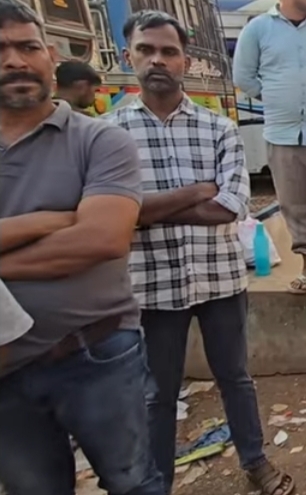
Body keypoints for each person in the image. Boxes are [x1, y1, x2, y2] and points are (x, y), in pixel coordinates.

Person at [101, 11, 293, 495]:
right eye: (146, 50)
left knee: (236, 378)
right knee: (157, 394)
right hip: (151, 286)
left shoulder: (218, 128)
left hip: (220, 280)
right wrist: (193, 192)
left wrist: (145, 210)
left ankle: (256, 464)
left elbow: (230, 207)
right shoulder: (107, 134)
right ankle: (158, 483)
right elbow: (113, 215)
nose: (158, 60)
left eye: (168, 51)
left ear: (185, 60)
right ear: (129, 58)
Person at [0, 1, 165, 493]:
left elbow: (103, 238)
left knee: (133, 481)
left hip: (97, 351)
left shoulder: (100, 142)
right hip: (6, 367)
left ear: (50, 56)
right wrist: (46, 221)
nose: (15, 61)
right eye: (1, 49)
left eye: (27, 47)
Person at [233, 0, 306, 294]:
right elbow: (243, 77)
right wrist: (275, 97)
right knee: (295, 205)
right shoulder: (258, 29)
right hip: (283, 135)